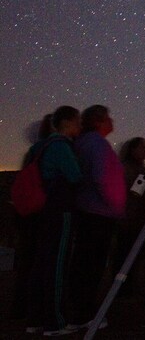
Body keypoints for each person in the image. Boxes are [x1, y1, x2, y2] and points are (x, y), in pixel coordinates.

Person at [69, 105, 127, 330]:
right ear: (99, 121)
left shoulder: (83, 143)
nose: (112, 121)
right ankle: (85, 314)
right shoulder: (97, 144)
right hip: (99, 214)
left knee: (83, 264)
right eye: (108, 117)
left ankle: (79, 311)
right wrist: (116, 207)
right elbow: (102, 178)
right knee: (91, 266)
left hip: (88, 211)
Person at [26, 106, 82, 336]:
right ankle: (55, 322)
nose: (80, 126)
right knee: (57, 266)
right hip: (59, 212)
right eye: (77, 122)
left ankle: (35, 319)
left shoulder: (39, 147)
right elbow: (75, 176)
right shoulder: (60, 147)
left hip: (42, 212)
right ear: (67, 123)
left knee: (42, 264)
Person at [11, 113, 56, 322]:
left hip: (28, 213)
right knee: (40, 262)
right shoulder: (51, 148)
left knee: (27, 261)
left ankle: (20, 308)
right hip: (43, 212)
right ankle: (35, 310)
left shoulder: (33, 151)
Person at [112, 137, 145, 295]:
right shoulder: (127, 169)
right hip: (127, 219)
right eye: (142, 148)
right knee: (124, 255)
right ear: (132, 150)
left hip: (136, 219)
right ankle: (122, 289)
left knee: (131, 256)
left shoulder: (141, 169)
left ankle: (126, 288)